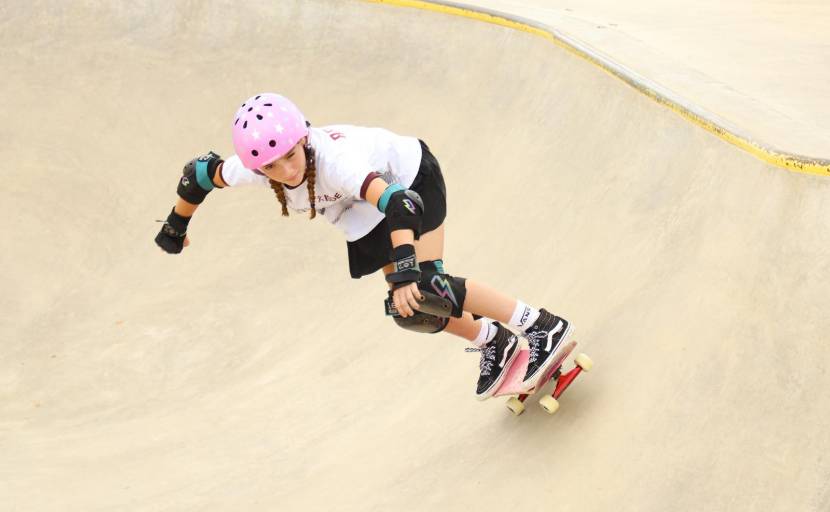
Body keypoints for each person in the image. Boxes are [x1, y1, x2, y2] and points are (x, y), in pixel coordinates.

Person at [154, 93, 572, 399]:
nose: (286, 170)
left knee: (427, 288)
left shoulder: (336, 161)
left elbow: (402, 205)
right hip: (364, 216)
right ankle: (492, 342)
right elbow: (199, 175)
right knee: (409, 313)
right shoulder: (256, 169)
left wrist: (407, 269)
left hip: (410, 183)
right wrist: (176, 223)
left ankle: (540, 324)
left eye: (291, 155)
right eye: (271, 166)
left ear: (302, 137)